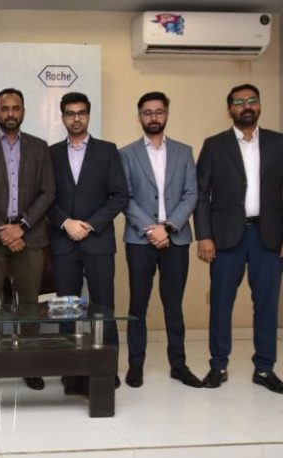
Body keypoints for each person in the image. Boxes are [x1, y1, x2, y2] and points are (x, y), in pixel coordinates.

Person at [194, 83, 283, 393]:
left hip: (268, 236)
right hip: (225, 238)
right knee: (221, 303)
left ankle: (264, 368)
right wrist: (204, 236)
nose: (246, 106)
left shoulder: (278, 142)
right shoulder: (214, 145)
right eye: (239, 102)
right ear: (230, 109)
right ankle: (218, 365)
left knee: (267, 304)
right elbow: (201, 194)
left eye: (252, 100)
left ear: (259, 105)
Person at [0, 88, 56, 392]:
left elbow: (48, 191)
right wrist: (2, 229)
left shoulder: (40, 148)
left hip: (30, 236)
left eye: (15, 108)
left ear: (23, 111)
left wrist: (22, 226)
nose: (10, 114)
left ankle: (29, 365)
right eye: (4, 109)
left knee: (29, 303)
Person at [119, 92, 202, 388]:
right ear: (139, 116)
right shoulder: (126, 154)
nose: (153, 117)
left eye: (159, 112)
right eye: (147, 112)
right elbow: (124, 197)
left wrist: (168, 227)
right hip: (140, 241)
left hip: (176, 239)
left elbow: (191, 194)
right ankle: (135, 364)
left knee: (173, 305)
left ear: (166, 114)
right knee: (137, 305)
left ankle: (178, 365)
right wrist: (151, 229)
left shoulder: (184, 152)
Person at [47, 92, 128, 393]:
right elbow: (45, 196)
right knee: (66, 309)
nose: (76, 118)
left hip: (98, 242)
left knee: (103, 308)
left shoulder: (108, 151)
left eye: (81, 112)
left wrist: (91, 224)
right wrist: (66, 222)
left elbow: (120, 195)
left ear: (89, 115)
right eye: (70, 113)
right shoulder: (51, 153)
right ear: (63, 117)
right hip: (63, 241)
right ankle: (70, 371)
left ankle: (106, 370)